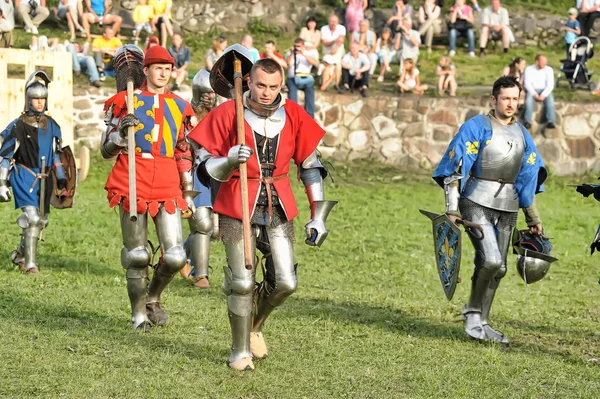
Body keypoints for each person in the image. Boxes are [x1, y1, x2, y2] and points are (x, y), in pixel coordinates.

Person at [187, 58, 332, 371]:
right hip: (236, 203)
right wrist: (227, 160)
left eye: (273, 86)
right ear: (249, 82)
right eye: (261, 85)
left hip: (278, 202)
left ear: (282, 86)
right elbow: (203, 167)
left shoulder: (293, 114)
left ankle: (254, 324)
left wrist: (318, 215)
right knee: (241, 281)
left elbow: (310, 166)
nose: (266, 93)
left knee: (285, 282)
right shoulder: (228, 113)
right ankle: (240, 352)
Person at [433, 76, 547, 344]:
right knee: (491, 260)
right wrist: (451, 209)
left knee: (500, 268)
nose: (511, 104)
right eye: (505, 98)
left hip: (508, 206)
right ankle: (472, 314)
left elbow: (527, 178)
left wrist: (533, 218)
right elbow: (456, 168)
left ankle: (484, 321)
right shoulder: (477, 126)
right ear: (493, 99)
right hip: (476, 201)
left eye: (515, 99)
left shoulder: (522, 134)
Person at [100, 45, 195, 331]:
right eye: (157, 68)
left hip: (167, 180)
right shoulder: (123, 101)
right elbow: (105, 149)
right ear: (146, 70)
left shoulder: (180, 106)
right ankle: (138, 314)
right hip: (132, 176)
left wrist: (187, 189)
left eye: (167, 69)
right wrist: (119, 134)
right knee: (138, 255)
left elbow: (182, 150)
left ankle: (153, 296)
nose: (163, 73)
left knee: (177, 256)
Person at [0, 71, 69, 274]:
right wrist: (2, 183)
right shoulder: (18, 126)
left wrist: (62, 178)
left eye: (43, 99)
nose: (39, 103)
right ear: (28, 100)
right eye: (35, 99)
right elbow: (4, 155)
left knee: (42, 220)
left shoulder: (53, 126)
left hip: (45, 179)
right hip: (24, 176)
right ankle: (30, 265)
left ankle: (20, 254)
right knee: (33, 218)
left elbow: (56, 154)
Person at [179, 69, 218, 288]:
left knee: (213, 228)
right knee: (202, 224)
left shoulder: (221, 114)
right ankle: (200, 274)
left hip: (217, 173)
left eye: (214, 93)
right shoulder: (187, 114)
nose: (210, 97)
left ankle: (180, 255)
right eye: (207, 92)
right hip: (194, 172)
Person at [286, 38, 319, 117]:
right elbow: (286, 65)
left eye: (298, 46)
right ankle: (293, 114)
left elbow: (315, 63)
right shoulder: (290, 53)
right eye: (295, 46)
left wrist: (303, 53)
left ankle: (310, 115)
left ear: (303, 46)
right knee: (292, 92)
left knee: (310, 92)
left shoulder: (309, 53)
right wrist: (291, 54)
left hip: (305, 77)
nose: (296, 47)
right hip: (293, 78)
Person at [523, 54, 556, 130]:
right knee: (528, 102)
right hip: (533, 90)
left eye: (545, 62)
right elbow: (527, 83)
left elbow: (550, 84)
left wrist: (543, 95)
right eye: (543, 62)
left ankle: (551, 121)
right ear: (537, 62)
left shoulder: (549, 70)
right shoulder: (529, 69)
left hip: (545, 90)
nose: (545, 64)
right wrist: (534, 94)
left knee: (550, 102)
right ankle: (527, 121)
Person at [321, 14, 346, 91]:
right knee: (327, 65)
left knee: (338, 63)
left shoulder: (342, 28)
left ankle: (337, 84)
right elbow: (325, 43)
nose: (333, 23)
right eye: (331, 21)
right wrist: (335, 40)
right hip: (327, 49)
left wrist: (336, 48)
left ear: (337, 22)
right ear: (329, 22)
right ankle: (325, 83)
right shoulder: (324, 28)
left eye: (335, 21)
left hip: (337, 48)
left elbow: (341, 40)